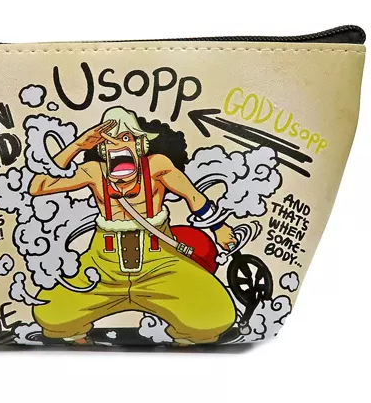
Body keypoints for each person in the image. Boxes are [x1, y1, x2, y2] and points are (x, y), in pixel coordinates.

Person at [29, 106, 237, 344]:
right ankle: (79, 346)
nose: (117, 145)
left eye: (126, 138)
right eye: (109, 140)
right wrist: (77, 146)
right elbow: (38, 186)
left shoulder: (158, 166)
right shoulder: (94, 171)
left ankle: (185, 350)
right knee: (50, 314)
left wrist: (219, 227)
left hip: (161, 263)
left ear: (140, 144)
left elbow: (193, 196)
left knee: (214, 317)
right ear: (102, 149)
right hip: (102, 267)